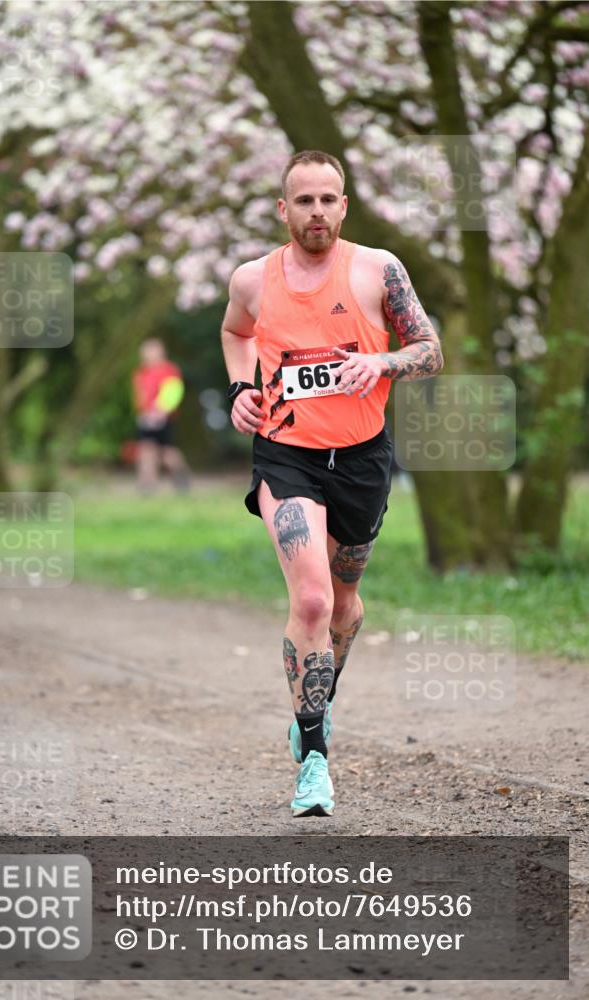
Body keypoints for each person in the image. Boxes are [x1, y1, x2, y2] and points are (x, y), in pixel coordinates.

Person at [221, 150, 443, 817]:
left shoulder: (378, 270)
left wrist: (380, 363)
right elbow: (234, 332)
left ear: (343, 206)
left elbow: (430, 351)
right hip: (285, 455)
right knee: (313, 600)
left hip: (362, 459)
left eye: (327, 199)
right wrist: (239, 388)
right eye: (304, 200)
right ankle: (314, 760)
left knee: (345, 605)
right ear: (282, 209)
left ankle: (312, 705)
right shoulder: (253, 280)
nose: (316, 211)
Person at [132, 338, 191, 493]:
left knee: (166, 452)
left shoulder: (168, 370)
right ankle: (147, 485)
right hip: (146, 417)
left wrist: (161, 410)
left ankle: (181, 476)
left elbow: (173, 391)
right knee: (146, 449)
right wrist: (143, 412)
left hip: (162, 417)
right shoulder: (142, 372)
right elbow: (140, 395)